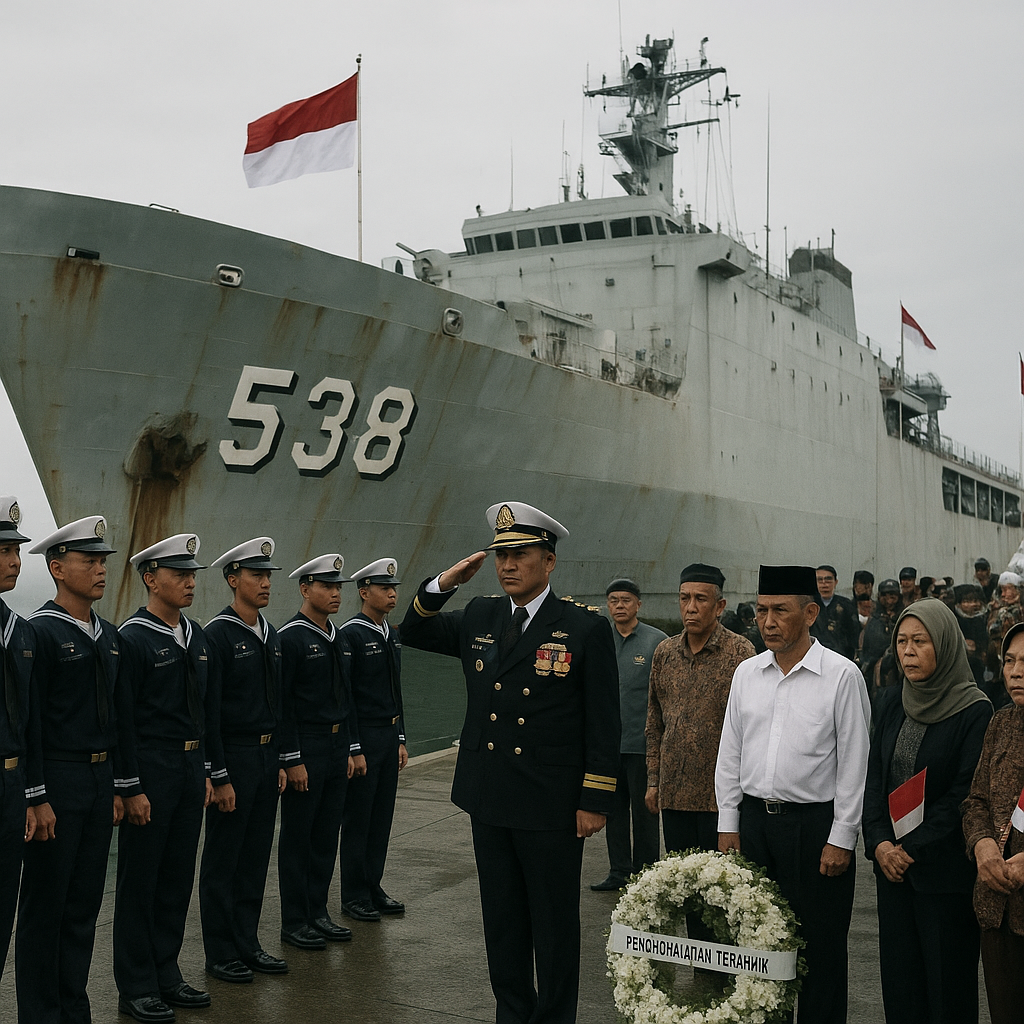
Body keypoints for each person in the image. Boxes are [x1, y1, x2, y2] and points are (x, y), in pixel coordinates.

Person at [400, 501, 620, 1024]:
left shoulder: (583, 627)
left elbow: (603, 722)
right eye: (500, 555)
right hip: (490, 796)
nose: (506, 565)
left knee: (553, 924)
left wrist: (594, 799)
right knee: (502, 922)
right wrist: (442, 584)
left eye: (519, 554)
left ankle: (555, 1017)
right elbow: (413, 630)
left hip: (550, 803)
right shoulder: (481, 614)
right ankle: (512, 1014)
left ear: (549, 561)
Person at [715, 564, 870, 1024]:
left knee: (820, 951)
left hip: (816, 830)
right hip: (756, 827)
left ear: (810, 613)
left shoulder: (841, 676)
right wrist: (729, 824)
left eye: (780, 610)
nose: (768, 621)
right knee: (758, 950)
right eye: (762, 610)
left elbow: (855, 764)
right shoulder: (747, 674)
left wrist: (843, 836)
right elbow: (730, 754)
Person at [862, 599, 991, 1023]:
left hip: (944, 875)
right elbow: (875, 779)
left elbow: (963, 794)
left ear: (946, 645)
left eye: (920, 641)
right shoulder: (891, 701)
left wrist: (910, 848)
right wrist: (880, 844)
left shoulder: (974, 710)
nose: (907, 651)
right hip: (893, 874)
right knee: (901, 987)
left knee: (947, 991)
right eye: (901, 641)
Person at [17, 516, 123, 1024]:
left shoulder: (109, 635)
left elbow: (117, 718)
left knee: (82, 907)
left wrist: (121, 785)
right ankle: (40, 1014)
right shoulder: (40, 630)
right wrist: (35, 794)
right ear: (57, 568)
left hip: (100, 782)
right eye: (90, 561)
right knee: (46, 908)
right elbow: (30, 722)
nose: (101, 569)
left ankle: (72, 1007)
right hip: (58, 780)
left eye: (103, 561)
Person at [113, 533, 213, 1023]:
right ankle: (135, 984)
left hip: (190, 768)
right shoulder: (132, 638)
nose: (190, 582)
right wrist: (128, 785)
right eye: (179, 574)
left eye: (193, 574)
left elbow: (205, 711)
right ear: (151, 579)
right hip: (152, 767)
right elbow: (123, 719)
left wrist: (210, 771)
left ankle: (165, 971)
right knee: (141, 880)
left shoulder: (194, 636)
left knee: (176, 877)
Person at [645, 563, 754, 947]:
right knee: (684, 890)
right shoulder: (664, 653)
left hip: (720, 800)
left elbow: (750, 729)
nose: (690, 607)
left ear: (720, 605)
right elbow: (654, 722)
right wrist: (653, 780)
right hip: (674, 795)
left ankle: (728, 973)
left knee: (723, 892)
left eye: (700, 599)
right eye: (684, 598)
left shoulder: (741, 654)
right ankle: (699, 968)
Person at [201, 538, 289, 983]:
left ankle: (247, 942)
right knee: (223, 860)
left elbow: (279, 702)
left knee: (255, 857)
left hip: (264, 755)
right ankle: (219, 952)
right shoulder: (216, 634)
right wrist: (217, 774)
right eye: (257, 576)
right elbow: (209, 712)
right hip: (232, 757)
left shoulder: (270, 635)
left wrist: (279, 760)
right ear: (233, 580)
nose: (266, 582)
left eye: (269, 575)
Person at [277, 554, 359, 948]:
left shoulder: (338, 636)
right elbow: (283, 703)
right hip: (307, 746)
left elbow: (347, 698)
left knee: (327, 834)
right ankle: (294, 920)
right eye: (326, 586)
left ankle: (318, 911)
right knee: (299, 837)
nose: (334, 593)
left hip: (335, 743)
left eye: (338, 586)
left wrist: (348, 748)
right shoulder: (290, 637)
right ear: (305, 588)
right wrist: (291, 758)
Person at [962, 620, 1024, 1024]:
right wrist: (982, 845)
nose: (1016, 671)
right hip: (997, 907)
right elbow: (976, 800)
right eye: (1010, 661)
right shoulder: (1001, 723)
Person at [338, 557, 407, 922]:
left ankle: (372, 885)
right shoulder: (352, 633)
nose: (392, 594)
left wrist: (400, 737)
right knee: (359, 819)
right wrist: (354, 747)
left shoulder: (390, 633)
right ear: (364, 592)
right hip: (363, 735)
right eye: (384, 588)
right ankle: (353, 894)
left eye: (394, 588)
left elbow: (396, 690)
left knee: (381, 818)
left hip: (386, 733)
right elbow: (346, 695)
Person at [589, 578, 665, 891]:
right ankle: (618, 872)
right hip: (607, 746)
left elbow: (664, 694)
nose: (619, 606)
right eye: (614, 600)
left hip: (642, 744)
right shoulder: (598, 638)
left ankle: (646, 875)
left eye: (626, 600)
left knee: (645, 814)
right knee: (613, 812)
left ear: (638, 604)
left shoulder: (656, 641)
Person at [0, 497, 33, 971]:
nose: (12, 561)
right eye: (3, 551)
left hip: (10, 786)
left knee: (3, 907)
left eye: (15, 552)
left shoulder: (21, 631)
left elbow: (30, 722)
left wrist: (32, 793)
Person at [861, 579, 902, 700]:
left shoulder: (904, 617)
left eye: (892, 595)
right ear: (879, 597)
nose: (889, 599)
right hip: (877, 677)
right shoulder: (874, 620)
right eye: (884, 595)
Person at [811, 564, 859, 660]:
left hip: (840, 655)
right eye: (820, 580)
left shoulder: (846, 605)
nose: (824, 583)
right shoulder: (809, 604)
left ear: (835, 582)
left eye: (828, 579)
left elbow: (854, 632)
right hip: (814, 655)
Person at [953, 584, 989, 691]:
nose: (973, 604)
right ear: (958, 604)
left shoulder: (983, 619)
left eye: (976, 601)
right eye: (967, 601)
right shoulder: (954, 620)